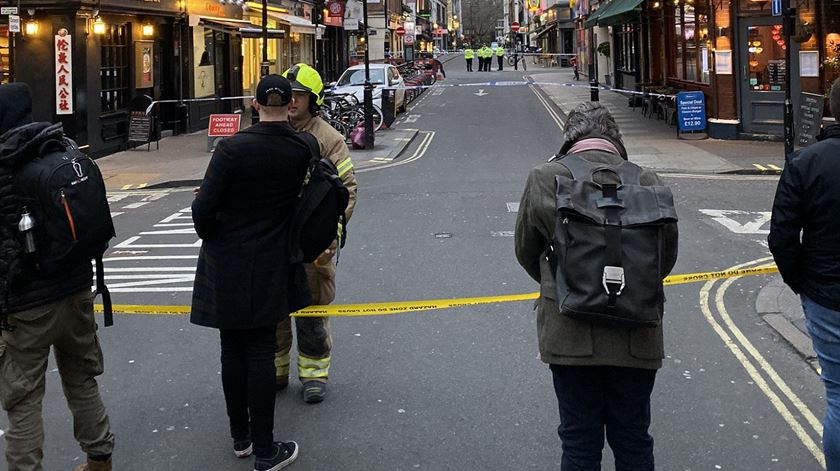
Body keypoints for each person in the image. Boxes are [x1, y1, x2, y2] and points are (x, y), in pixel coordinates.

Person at [514, 102, 678, 470]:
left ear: (569, 138)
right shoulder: (648, 180)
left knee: (579, 440)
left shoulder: (544, 177)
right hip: (638, 334)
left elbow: (526, 251)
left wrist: (566, 283)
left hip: (570, 334)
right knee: (634, 439)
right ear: (614, 139)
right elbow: (664, 259)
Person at [191, 74, 308, 471]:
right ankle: (265, 450)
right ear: (289, 103)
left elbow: (203, 211)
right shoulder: (302, 147)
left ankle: (241, 437)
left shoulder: (231, 149)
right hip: (272, 261)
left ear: (255, 105)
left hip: (227, 261)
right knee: (260, 350)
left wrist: (215, 236)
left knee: (232, 349)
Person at [0, 83, 115, 471]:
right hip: (76, 284)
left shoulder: (4, 165)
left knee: (23, 397)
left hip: (25, 303)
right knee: (82, 378)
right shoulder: (57, 148)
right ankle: (100, 457)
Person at [769, 77, 840, 470]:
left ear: (830, 108)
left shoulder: (805, 162)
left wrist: (803, 285)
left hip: (827, 296)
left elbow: (781, 237)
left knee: (839, 395)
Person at [280, 63, 358, 403]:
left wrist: (328, 236)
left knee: (312, 313)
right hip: (276, 240)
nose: (292, 101)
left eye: (300, 96)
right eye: (289, 95)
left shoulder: (328, 138)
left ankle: (314, 375)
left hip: (313, 244)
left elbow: (347, 190)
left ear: (314, 101)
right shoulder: (271, 131)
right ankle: (276, 369)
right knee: (274, 312)